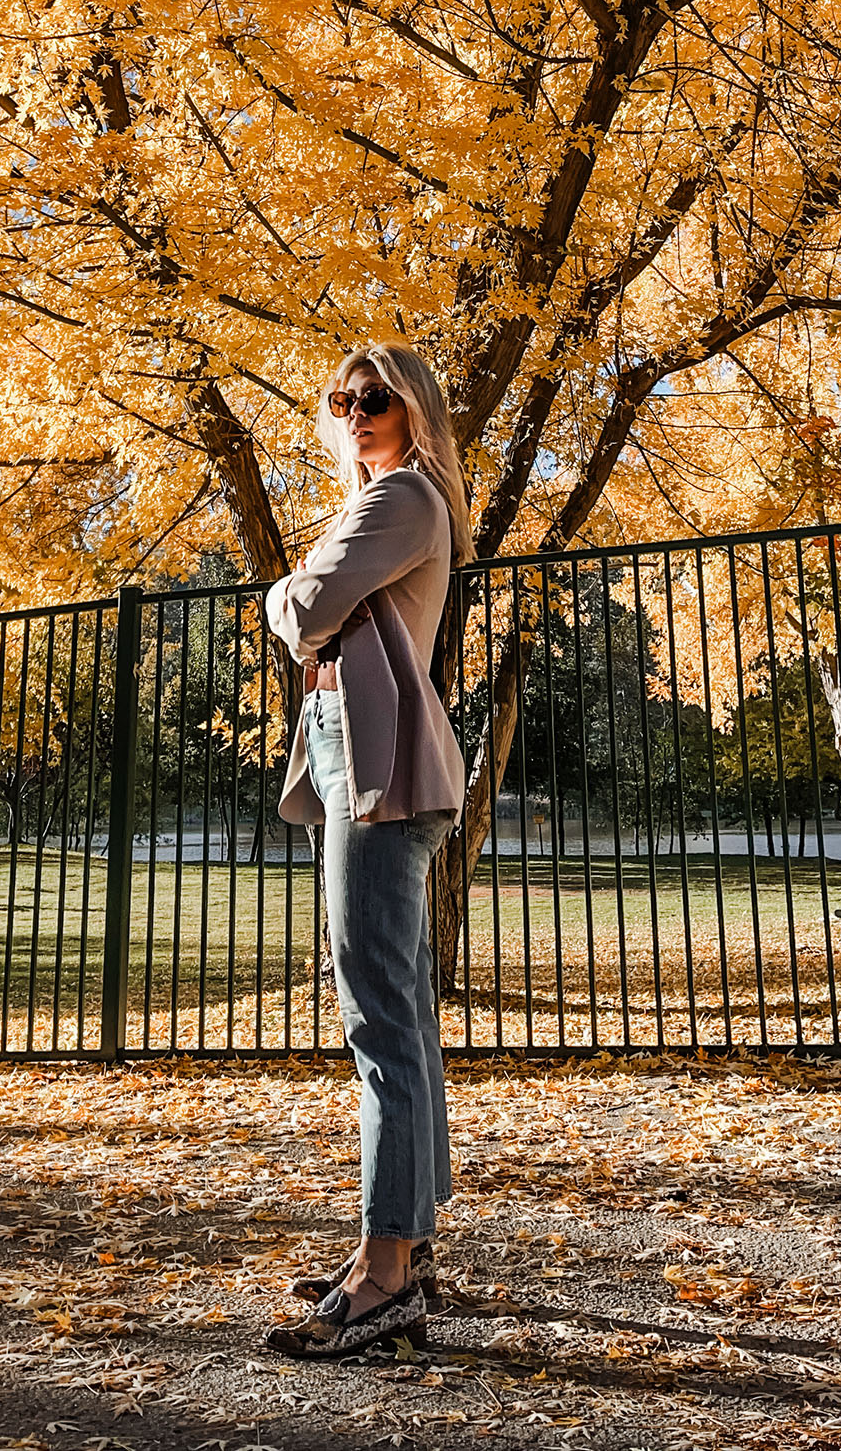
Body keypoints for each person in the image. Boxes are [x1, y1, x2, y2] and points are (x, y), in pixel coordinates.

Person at [262, 342, 476, 1360]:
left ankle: (386, 1272)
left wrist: (283, 597)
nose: (356, 412)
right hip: (375, 766)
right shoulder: (394, 502)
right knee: (404, 1014)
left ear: (413, 406)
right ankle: (404, 1246)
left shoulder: (397, 501)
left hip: (380, 777)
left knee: (377, 1019)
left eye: (376, 397)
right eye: (343, 399)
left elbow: (302, 612)